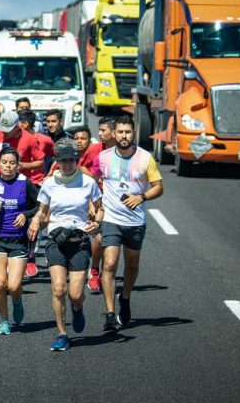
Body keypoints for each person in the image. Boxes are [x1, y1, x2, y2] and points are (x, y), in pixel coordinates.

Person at [28, 138, 103, 351]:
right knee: (59, 289)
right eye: (63, 160)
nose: (67, 164)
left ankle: (77, 308)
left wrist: (96, 222)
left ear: (76, 160)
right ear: (57, 161)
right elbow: (42, 210)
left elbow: (100, 207)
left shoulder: (87, 182)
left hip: (79, 240)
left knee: (75, 294)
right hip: (55, 239)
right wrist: (35, 220)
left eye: (71, 160)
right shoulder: (49, 183)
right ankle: (62, 333)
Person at [97, 116, 163, 331]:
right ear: (113, 134)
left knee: (131, 265)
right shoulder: (103, 157)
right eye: (120, 132)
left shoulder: (145, 158)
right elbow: (93, 182)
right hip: (111, 220)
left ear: (133, 133)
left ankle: (124, 298)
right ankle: (109, 313)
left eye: (128, 132)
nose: (124, 136)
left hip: (135, 222)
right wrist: (94, 205)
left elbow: (158, 187)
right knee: (109, 264)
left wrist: (141, 198)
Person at [0, 149, 38, 335]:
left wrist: (25, 214)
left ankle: (17, 300)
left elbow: (38, 205)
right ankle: (4, 320)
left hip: (18, 239)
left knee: (13, 286)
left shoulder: (25, 183)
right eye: (4, 162)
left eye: (12, 163)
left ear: (18, 164)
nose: (8, 166)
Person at [0, 111, 45, 277]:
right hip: (2, 182)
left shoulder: (29, 139)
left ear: (17, 126)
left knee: (27, 222)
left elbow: (41, 162)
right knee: (0, 217)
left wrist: (23, 166)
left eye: (8, 129)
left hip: (26, 184)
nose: (4, 132)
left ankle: (30, 254)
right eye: (3, 128)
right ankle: (2, 258)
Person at [87, 116, 117, 292]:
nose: (99, 134)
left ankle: (108, 273)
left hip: (119, 205)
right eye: (99, 130)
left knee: (113, 246)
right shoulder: (95, 150)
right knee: (99, 238)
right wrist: (91, 203)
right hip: (101, 202)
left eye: (103, 130)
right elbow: (90, 176)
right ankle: (95, 268)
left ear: (113, 132)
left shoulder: (125, 151)